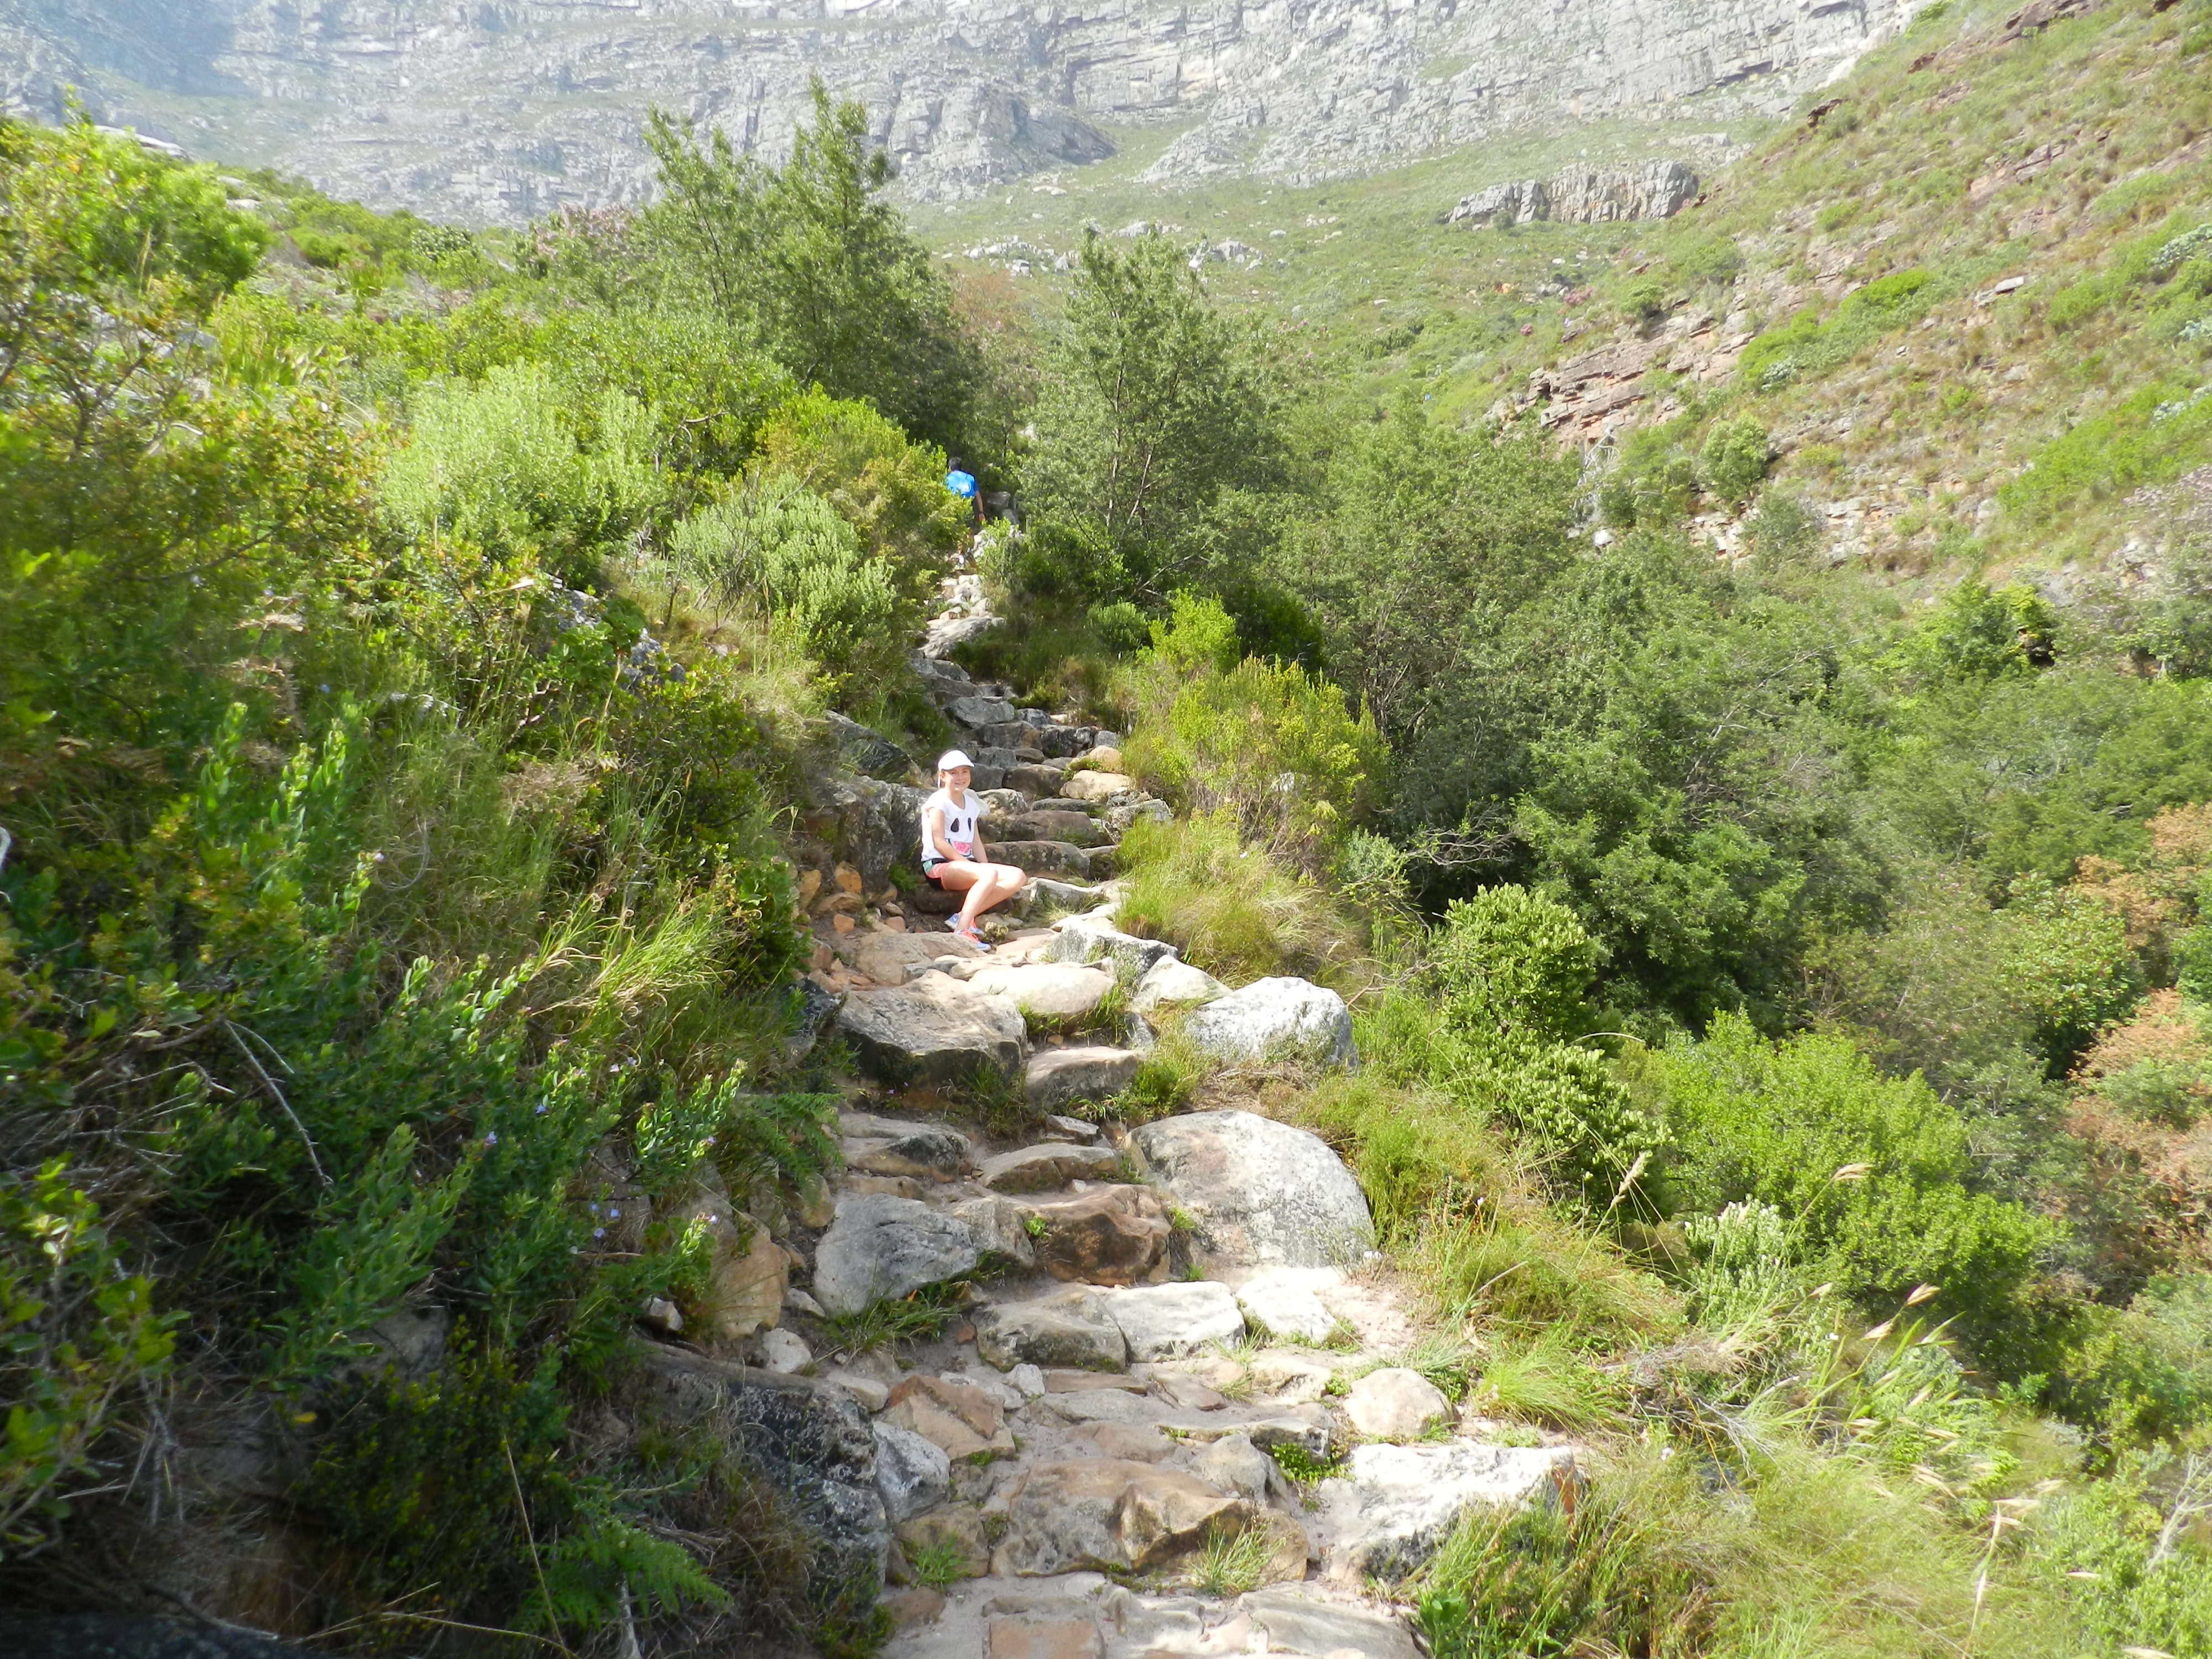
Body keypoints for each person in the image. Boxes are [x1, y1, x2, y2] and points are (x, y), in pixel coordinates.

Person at [920, 749, 1025, 950]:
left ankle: (962, 916)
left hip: (966, 865)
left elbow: (975, 841)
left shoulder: (970, 803)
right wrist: (975, 867)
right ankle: (962, 931)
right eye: (954, 773)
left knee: (1017, 876)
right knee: (988, 874)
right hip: (940, 866)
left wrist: (984, 867)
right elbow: (939, 842)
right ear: (942, 776)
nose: (960, 777)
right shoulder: (938, 802)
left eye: (964, 772)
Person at [945, 456, 981, 529]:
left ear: (950, 468)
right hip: (969, 505)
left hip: (954, 505)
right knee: (970, 529)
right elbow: (978, 496)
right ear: (961, 468)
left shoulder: (947, 479)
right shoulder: (970, 477)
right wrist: (981, 512)